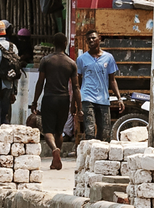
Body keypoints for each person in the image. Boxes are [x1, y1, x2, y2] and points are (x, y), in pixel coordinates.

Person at [34, 38, 81, 166]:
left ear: (53, 44)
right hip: (64, 99)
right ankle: (56, 159)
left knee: (48, 130)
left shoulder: (46, 60)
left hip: (49, 98)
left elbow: (40, 82)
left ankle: (54, 150)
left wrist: (34, 101)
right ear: (65, 44)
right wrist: (78, 106)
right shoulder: (71, 63)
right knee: (59, 131)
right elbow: (76, 87)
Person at [75, 27, 118, 139]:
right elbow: (77, 83)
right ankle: (90, 154)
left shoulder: (108, 58)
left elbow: (112, 80)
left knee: (104, 133)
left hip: (103, 99)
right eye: (88, 39)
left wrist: (119, 97)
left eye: (93, 38)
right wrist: (76, 101)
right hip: (87, 98)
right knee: (90, 131)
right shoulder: (81, 59)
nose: (91, 41)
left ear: (99, 39)